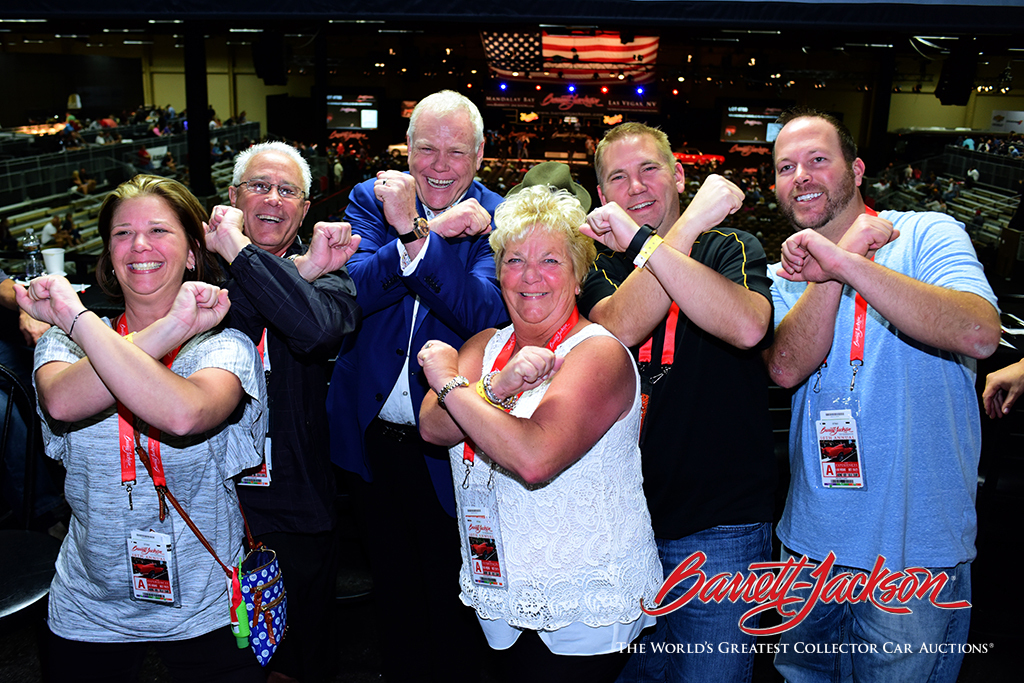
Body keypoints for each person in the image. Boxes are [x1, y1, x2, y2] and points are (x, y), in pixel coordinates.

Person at [763, 107, 1000, 682]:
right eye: (786, 167)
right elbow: (787, 367)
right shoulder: (787, 272)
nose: (802, 176)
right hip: (809, 552)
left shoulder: (926, 232)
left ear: (858, 168)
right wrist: (834, 267)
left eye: (818, 159)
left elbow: (978, 331)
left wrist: (850, 258)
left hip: (914, 554)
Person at [15, 174, 267, 682]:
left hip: (208, 602)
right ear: (108, 257)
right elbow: (64, 401)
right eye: (122, 235)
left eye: (159, 230)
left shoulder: (222, 348)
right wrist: (170, 325)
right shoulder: (65, 345)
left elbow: (183, 413)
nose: (140, 246)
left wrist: (76, 314)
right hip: (90, 605)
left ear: (193, 253)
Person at [417, 184, 661, 683]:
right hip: (502, 585)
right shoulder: (485, 345)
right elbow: (434, 427)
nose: (530, 276)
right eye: (513, 260)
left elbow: (535, 456)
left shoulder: (599, 352)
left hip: (581, 595)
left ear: (577, 277)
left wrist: (449, 382)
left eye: (550, 260)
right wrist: (497, 384)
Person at [577, 122, 776, 683]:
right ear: (602, 197)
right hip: (622, 526)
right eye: (618, 177)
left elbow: (745, 327)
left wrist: (662, 241)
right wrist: (681, 227)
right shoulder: (595, 265)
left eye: (649, 170)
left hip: (720, 525)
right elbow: (620, 326)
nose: (636, 187)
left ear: (679, 175)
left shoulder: (729, 245)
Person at [326, 89, 507, 682]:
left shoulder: (501, 218)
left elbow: (479, 311)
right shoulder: (370, 198)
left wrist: (416, 236)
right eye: (426, 148)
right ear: (407, 149)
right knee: (393, 588)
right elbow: (355, 293)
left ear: (480, 156)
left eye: (455, 152)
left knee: (454, 592)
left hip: (454, 440)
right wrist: (424, 235)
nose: (437, 164)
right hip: (370, 433)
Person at [204, 140, 361, 683]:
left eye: (287, 190)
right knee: (224, 654)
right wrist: (288, 272)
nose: (272, 199)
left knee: (300, 657)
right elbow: (224, 326)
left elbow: (315, 330)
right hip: (212, 495)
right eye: (259, 186)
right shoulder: (200, 270)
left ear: (305, 207)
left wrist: (246, 256)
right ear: (232, 196)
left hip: (295, 500)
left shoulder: (336, 274)